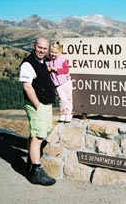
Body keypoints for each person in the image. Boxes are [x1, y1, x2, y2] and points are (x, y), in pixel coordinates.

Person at [19, 37, 56, 186]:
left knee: (39, 132)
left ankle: (31, 159)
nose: (42, 51)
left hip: (45, 104)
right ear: (34, 46)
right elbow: (27, 87)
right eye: (39, 47)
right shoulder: (28, 64)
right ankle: (36, 171)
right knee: (37, 136)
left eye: (45, 48)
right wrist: (38, 106)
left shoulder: (43, 61)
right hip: (37, 105)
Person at [46, 42, 74, 123]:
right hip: (57, 85)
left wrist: (57, 70)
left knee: (69, 99)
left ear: (59, 52)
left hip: (66, 82)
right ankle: (62, 114)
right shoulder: (47, 61)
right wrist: (47, 70)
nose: (53, 54)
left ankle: (68, 114)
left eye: (56, 52)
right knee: (62, 100)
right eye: (52, 52)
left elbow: (66, 69)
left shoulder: (62, 59)